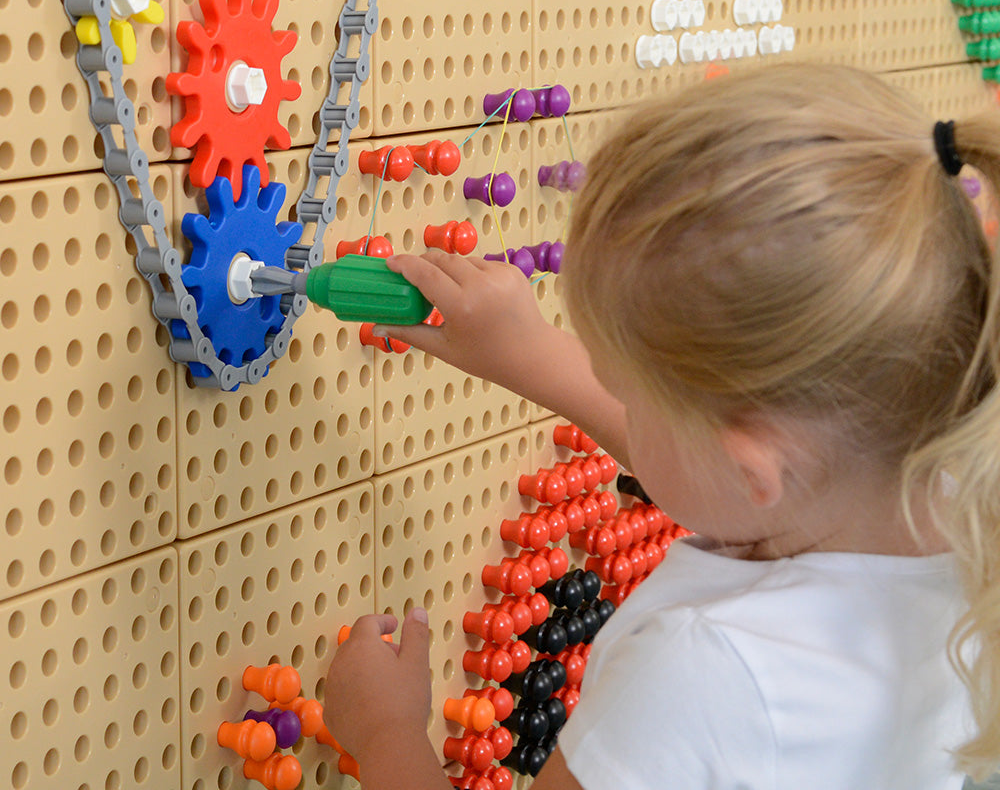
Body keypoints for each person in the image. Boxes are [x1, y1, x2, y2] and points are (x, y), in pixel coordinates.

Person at [323, 64, 1000, 788]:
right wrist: (535, 358)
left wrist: (388, 733)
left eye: (631, 396)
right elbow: (729, 474)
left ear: (752, 466)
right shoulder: (959, 505)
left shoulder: (702, 679)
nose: (619, 406)